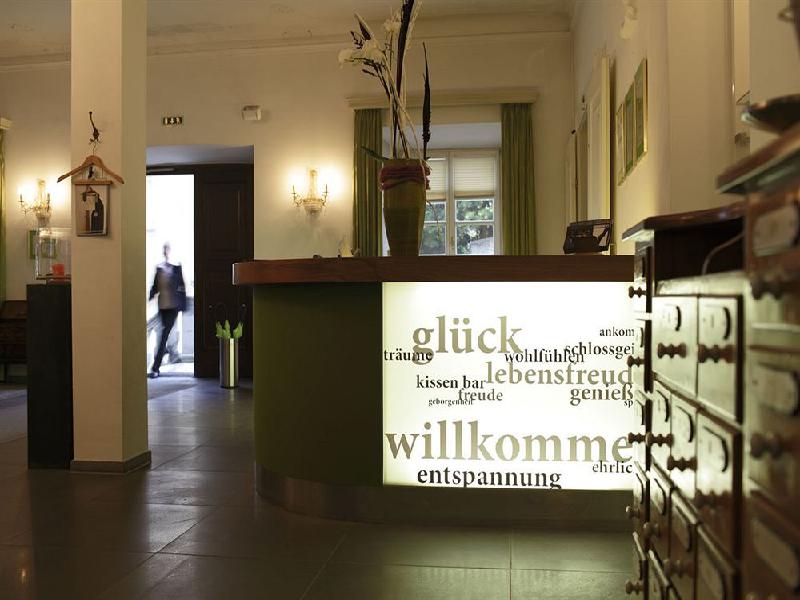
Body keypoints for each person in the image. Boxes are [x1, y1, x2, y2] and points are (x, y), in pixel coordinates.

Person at [148, 242, 186, 378]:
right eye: (164, 249)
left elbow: (182, 287)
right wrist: (148, 298)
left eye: (167, 249)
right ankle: (166, 351)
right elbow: (155, 287)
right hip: (162, 306)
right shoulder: (159, 268)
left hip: (173, 307)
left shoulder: (176, 268)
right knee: (164, 333)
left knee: (164, 334)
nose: (166, 252)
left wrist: (183, 306)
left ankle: (156, 367)